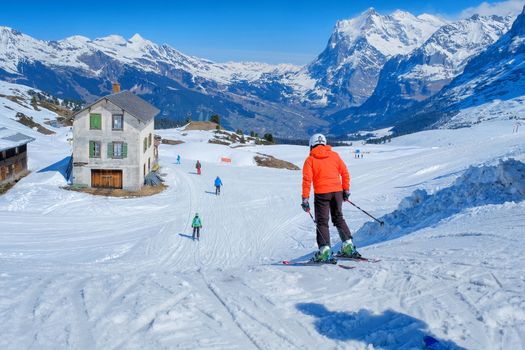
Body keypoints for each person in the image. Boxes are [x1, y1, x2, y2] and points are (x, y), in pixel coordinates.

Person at [301, 133, 360, 262]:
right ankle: (348, 246)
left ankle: (325, 251)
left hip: (322, 194)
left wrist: (305, 199)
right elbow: (345, 173)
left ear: (311, 145)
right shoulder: (334, 155)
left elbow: (307, 180)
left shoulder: (310, 159)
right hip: (337, 192)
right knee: (338, 218)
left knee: (322, 222)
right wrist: (346, 190)